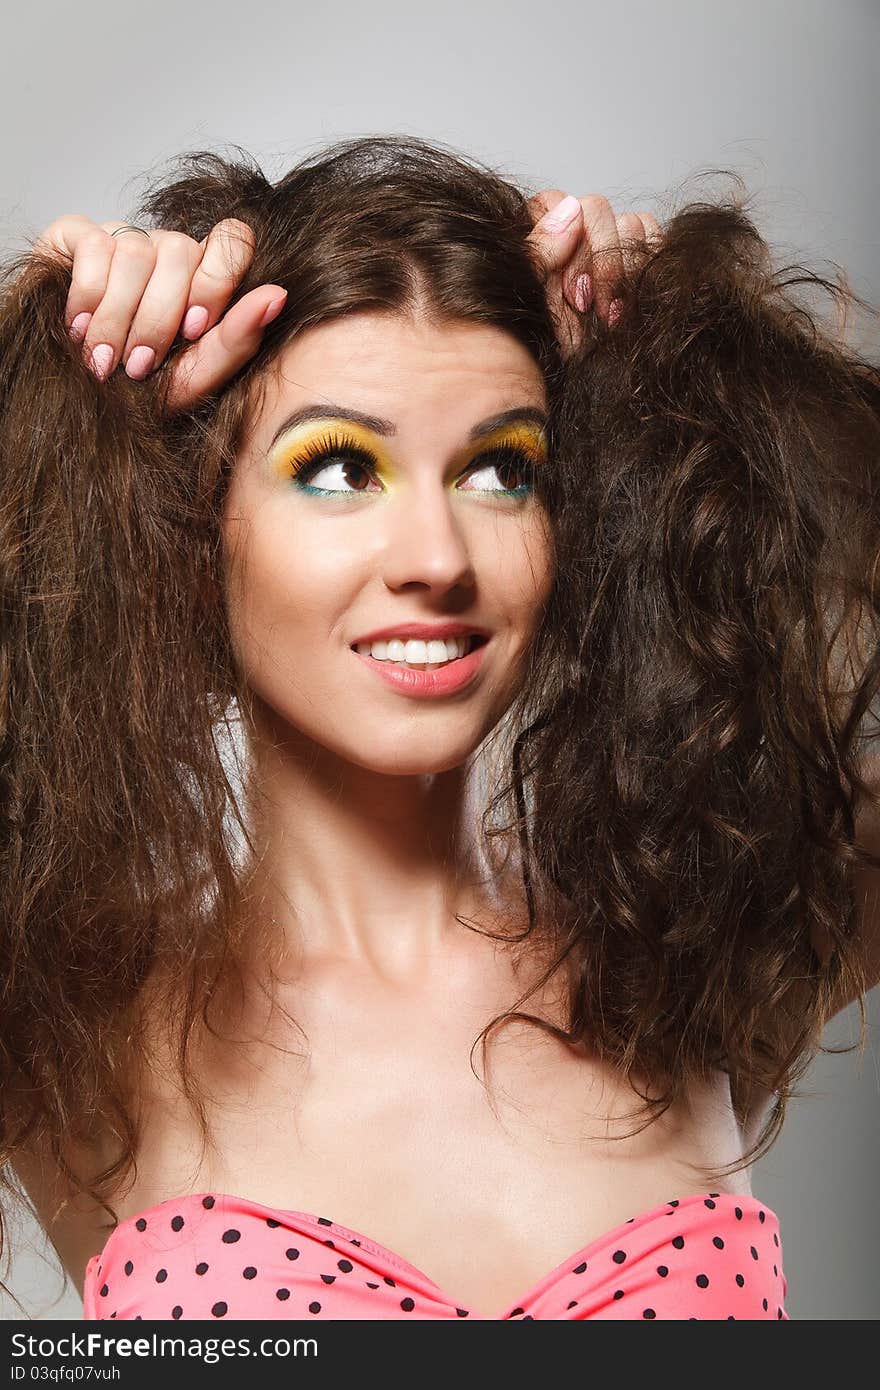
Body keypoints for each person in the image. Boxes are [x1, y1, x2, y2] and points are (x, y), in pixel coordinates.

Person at [1, 135, 878, 1322]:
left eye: (501, 472)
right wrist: (36, 371)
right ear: (192, 536)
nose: (436, 560)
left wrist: (699, 374)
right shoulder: (70, 1011)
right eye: (338, 468)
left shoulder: (686, 942)